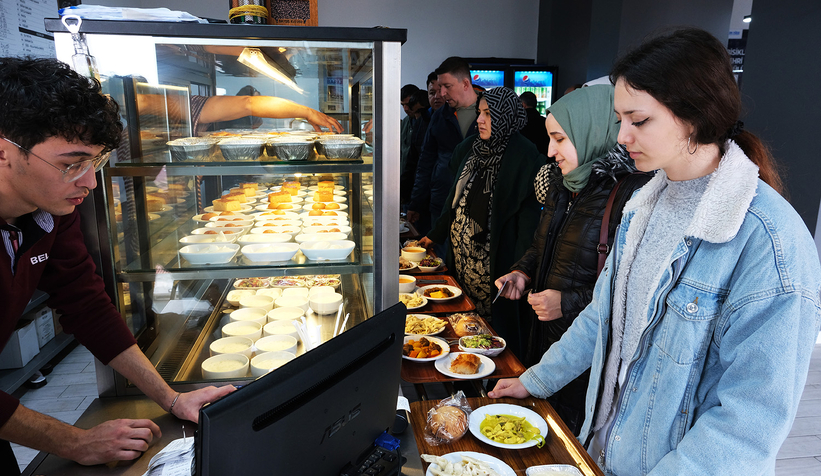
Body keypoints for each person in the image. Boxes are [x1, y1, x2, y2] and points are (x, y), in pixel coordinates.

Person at [489, 28, 821, 475]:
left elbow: (747, 425)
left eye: (638, 120)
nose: (622, 136)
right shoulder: (643, 205)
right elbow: (602, 316)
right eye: (619, 119)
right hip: (602, 454)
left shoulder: (770, 241)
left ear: (695, 116)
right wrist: (536, 380)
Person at [0, 57, 234, 472]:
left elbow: (86, 305)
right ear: (4, 151)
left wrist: (172, 398)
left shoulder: (50, 211)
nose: (89, 182)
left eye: (97, 161)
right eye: (71, 163)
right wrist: (75, 441)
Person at [494, 85, 652, 434]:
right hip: (547, 337)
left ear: (592, 130)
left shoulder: (634, 192)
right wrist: (522, 271)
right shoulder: (565, 182)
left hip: (590, 352)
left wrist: (567, 302)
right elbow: (541, 243)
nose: (550, 152)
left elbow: (633, 289)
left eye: (560, 139)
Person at [418, 87, 544, 356]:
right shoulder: (472, 149)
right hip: (462, 259)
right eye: (479, 113)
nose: (480, 120)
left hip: (494, 265)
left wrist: (520, 269)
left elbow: (528, 225)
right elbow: (454, 202)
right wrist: (435, 234)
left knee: (494, 334)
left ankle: (490, 385)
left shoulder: (525, 158)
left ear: (505, 115)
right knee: (462, 325)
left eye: (488, 113)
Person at [407, 57, 480, 242]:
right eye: (439, 88)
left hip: (480, 205)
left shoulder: (491, 112)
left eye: (447, 86)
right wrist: (415, 203)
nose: (441, 94)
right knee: (440, 259)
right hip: (442, 201)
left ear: (465, 83)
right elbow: (426, 161)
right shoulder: (439, 116)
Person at [401, 90, 432, 204]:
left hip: (425, 187)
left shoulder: (431, 122)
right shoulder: (408, 122)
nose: (405, 109)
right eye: (402, 105)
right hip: (412, 183)